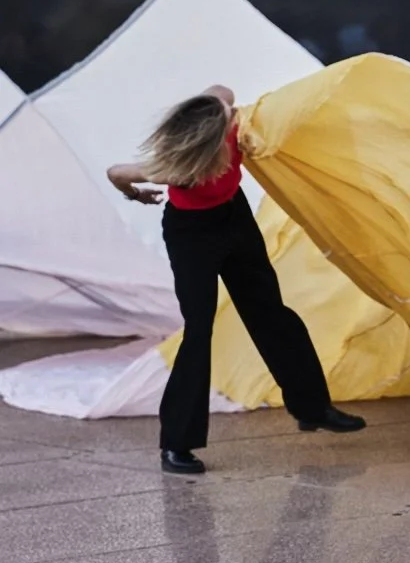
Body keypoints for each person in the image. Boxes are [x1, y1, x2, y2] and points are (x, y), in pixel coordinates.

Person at [106, 87, 365, 475]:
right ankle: (176, 444)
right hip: (191, 234)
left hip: (235, 219)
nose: (236, 118)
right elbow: (116, 172)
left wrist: (220, 108)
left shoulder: (226, 118)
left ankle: (312, 409)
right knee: (199, 330)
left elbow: (222, 91)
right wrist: (136, 195)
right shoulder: (175, 168)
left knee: (270, 312)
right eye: (229, 119)